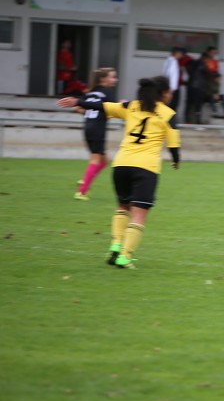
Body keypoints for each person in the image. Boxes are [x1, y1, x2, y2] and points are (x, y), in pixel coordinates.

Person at [56, 76, 181, 269]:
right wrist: (176, 160)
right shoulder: (169, 114)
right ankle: (125, 256)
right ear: (163, 94)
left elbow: (103, 106)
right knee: (139, 215)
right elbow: (173, 145)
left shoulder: (131, 106)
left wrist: (77, 101)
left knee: (123, 207)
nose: (171, 95)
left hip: (121, 165)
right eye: (169, 92)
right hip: (146, 168)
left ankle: (115, 245)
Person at [73, 67, 118, 200]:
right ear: (103, 79)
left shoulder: (91, 93)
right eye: (112, 77)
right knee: (96, 159)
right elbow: (114, 111)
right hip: (98, 128)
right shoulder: (108, 93)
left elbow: (78, 108)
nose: (115, 79)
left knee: (104, 160)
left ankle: (85, 181)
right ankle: (81, 192)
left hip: (88, 127)